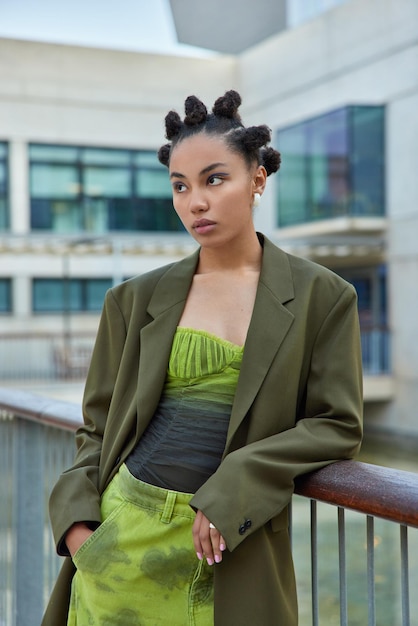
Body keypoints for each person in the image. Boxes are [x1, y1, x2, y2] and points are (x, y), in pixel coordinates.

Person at [42, 90, 363, 626]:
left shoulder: (322, 297)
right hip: (118, 540)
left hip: (225, 543)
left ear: (257, 179)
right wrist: (78, 529)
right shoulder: (132, 300)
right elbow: (97, 430)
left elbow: (337, 423)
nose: (196, 202)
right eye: (180, 186)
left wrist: (238, 479)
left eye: (215, 179)